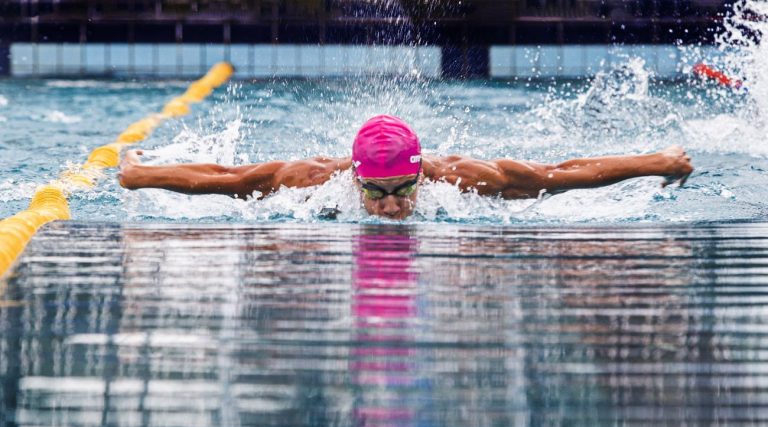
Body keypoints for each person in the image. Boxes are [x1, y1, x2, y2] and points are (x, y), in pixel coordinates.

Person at [118, 114, 694, 221]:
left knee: (540, 181)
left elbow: (562, 174)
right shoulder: (313, 178)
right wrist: (138, 172)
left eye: (403, 190)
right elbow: (223, 180)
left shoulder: (465, 177)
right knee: (245, 184)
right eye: (376, 193)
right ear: (354, 177)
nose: (391, 206)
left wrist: (656, 163)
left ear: (423, 176)